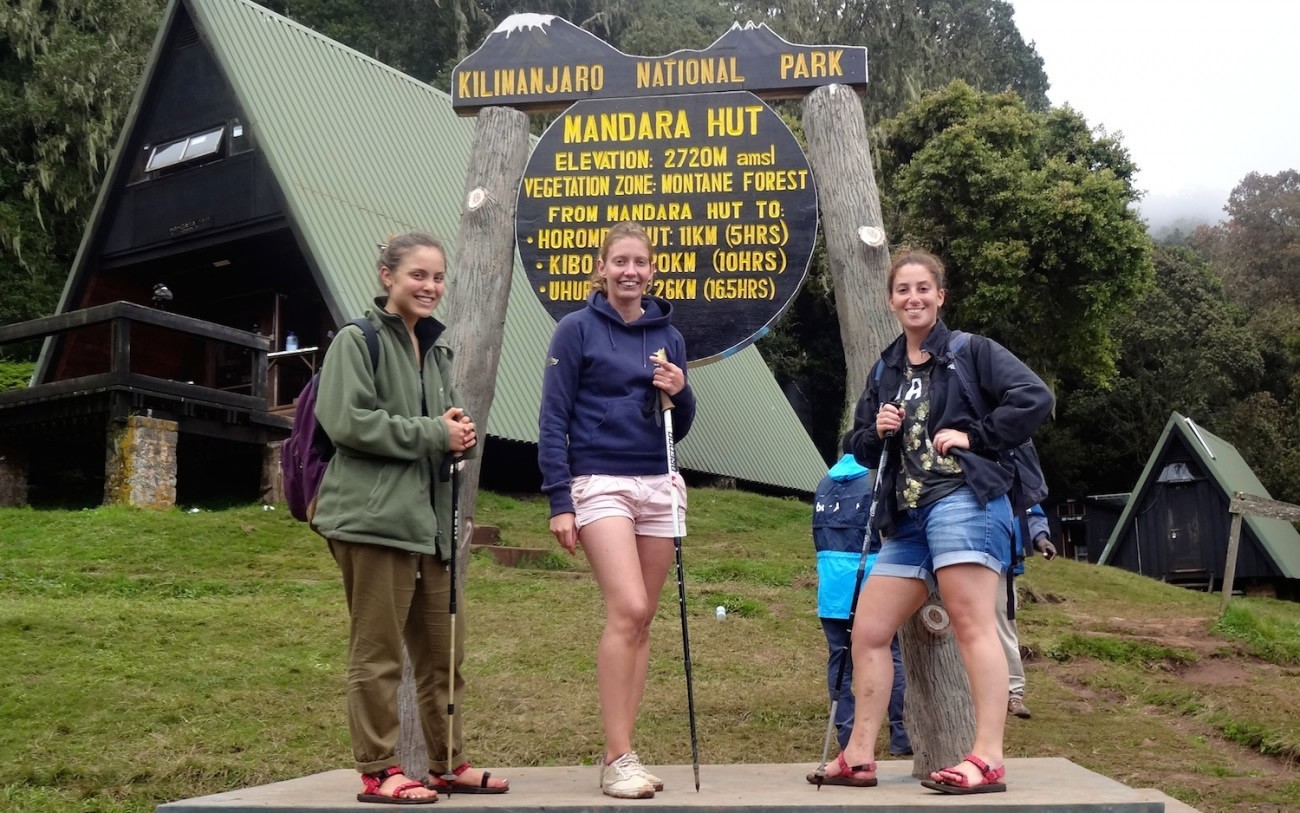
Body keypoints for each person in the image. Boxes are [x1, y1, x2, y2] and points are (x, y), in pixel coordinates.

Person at [816, 249, 1052, 794]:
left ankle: (987, 758)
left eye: (924, 288)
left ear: (940, 296)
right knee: (869, 631)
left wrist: (978, 436)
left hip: (966, 500)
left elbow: (1035, 398)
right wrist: (877, 429)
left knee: (972, 624)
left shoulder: (973, 351)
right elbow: (858, 446)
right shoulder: (886, 368)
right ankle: (858, 757)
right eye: (903, 290)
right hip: (909, 516)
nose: (913, 298)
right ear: (891, 300)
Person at [313, 232, 509, 804]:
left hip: (431, 526)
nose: (430, 287)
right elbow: (346, 422)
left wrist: (460, 437)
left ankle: (448, 763)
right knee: (376, 655)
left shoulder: (438, 350)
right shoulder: (357, 341)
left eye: (438, 277)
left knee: (445, 653)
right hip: (372, 521)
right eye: (418, 275)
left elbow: (440, 433)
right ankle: (378, 772)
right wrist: (434, 433)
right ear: (387, 277)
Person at [538, 221, 696, 799]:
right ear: (601, 268)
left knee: (643, 620)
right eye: (620, 262)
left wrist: (680, 388)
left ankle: (621, 752)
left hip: (658, 479)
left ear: (652, 271)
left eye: (641, 263)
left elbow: (682, 420)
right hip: (597, 480)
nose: (631, 272)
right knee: (626, 607)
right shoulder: (574, 330)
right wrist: (560, 499)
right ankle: (618, 756)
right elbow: (553, 418)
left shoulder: (668, 336)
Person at [812, 454, 912, 757]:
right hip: (873, 579)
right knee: (889, 654)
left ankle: (846, 734)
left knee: (839, 662)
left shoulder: (824, 482)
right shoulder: (876, 478)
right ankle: (901, 733)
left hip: (831, 584)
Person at [1001, 504, 1056, 719]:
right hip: (962, 561)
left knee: (1004, 629)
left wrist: (1040, 539)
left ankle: (1013, 693)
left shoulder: (1010, 473)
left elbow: (1030, 511)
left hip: (1003, 567)